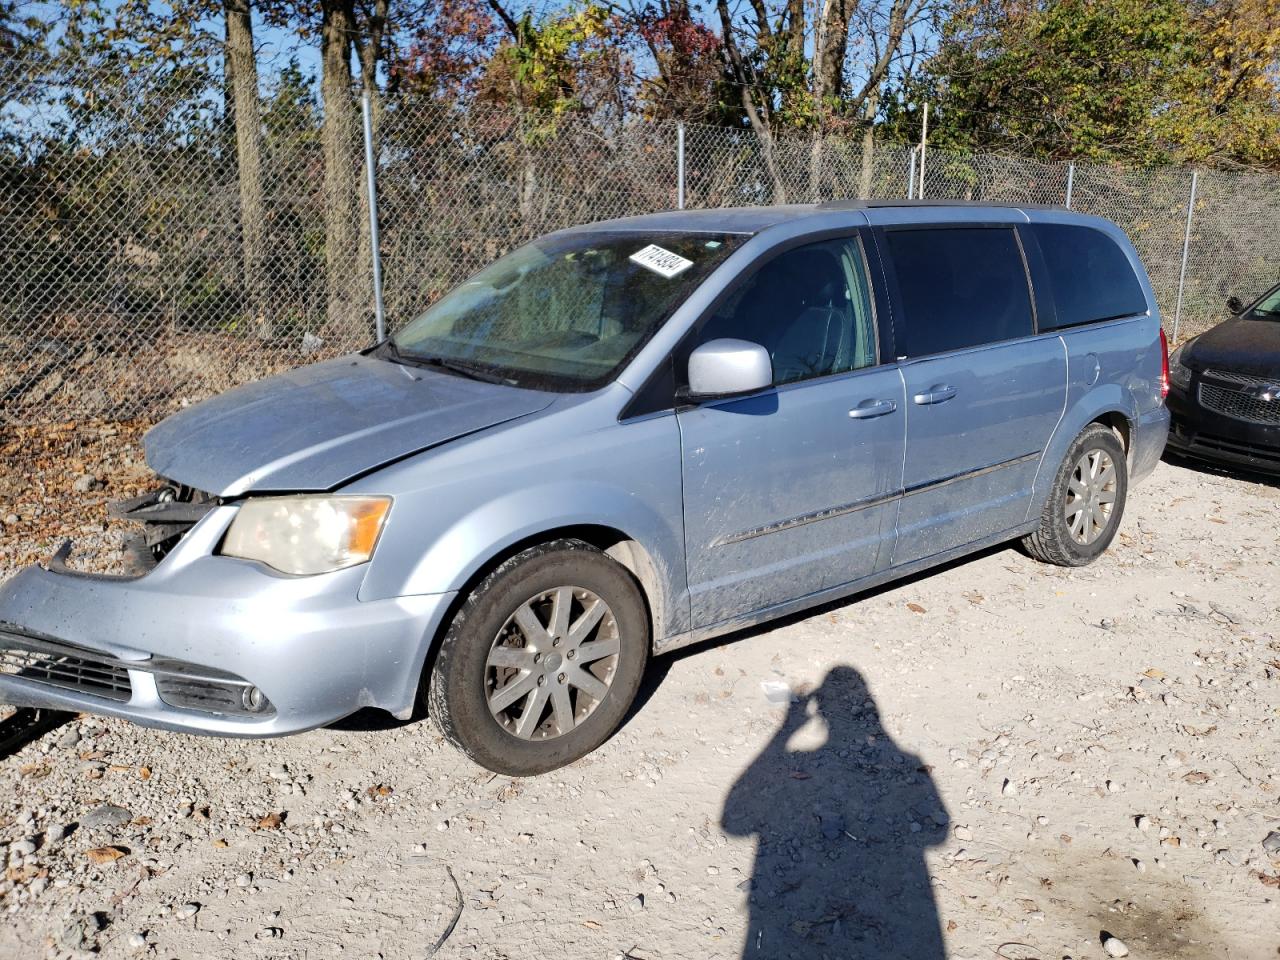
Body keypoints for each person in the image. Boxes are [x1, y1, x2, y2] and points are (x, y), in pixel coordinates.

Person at [722, 665, 949, 958]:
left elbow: (734, 821)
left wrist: (786, 731)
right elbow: (939, 833)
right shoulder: (907, 760)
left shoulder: (903, 760)